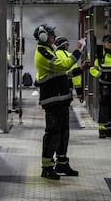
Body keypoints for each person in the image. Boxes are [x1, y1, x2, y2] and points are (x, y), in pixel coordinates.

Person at [33, 24, 85, 180]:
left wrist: (80, 69)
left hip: (61, 99)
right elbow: (62, 65)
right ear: (43, 36)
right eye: (51, 35)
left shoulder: (49, 51)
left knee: (63, 133)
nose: (54, 37)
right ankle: (47, 167)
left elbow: (63, 73)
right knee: (53, 133)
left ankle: (61, 163)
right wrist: (78, 50)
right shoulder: (42, 52)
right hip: (52, 100)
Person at [90, 34, 111, 138]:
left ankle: (110, 130)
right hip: (105, 85)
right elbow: (92, 68)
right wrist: (101, 75)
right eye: (109, 42)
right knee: (104, 108)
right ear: (104, 43)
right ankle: (102, 130)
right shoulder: (101, 55)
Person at [54, 36, 85, 102]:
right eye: (67, 44)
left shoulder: (53, 55)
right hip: (66, 88)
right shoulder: (69, 56)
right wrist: (79, 92)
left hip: (54, 89)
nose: (68, 46)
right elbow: (75, 77)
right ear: (63, 45)